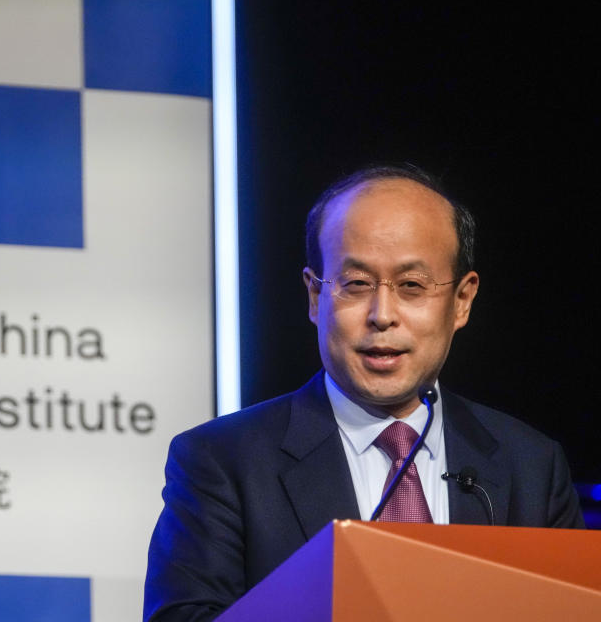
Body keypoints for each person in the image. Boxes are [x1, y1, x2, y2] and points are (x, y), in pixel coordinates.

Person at [143, 165, 584, 622]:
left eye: (412, 286)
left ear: (462, 301)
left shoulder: (530, 467)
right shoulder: (221, 462)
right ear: (315, 296)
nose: (382, 315)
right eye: (356, 284)